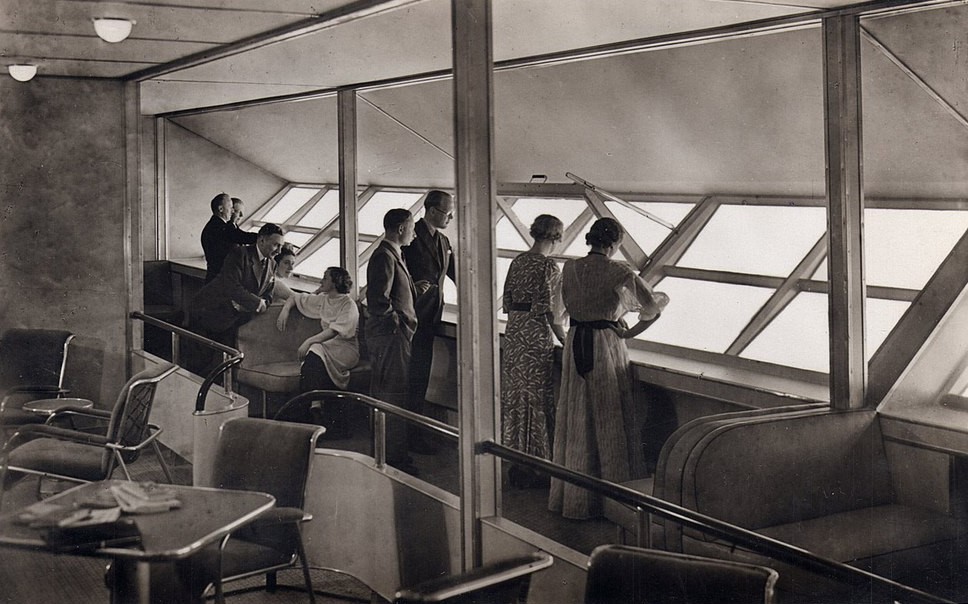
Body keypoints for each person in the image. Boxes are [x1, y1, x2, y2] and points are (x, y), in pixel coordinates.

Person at [548, 217, 669, 519]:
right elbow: (652, 307)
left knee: (577, 418)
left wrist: (567, 335)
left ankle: (575, 500)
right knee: (608, 416)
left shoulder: (571, 267)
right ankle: (614, 504)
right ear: (614, 243)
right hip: (605, 343)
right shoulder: (620, 271)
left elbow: (555, 313)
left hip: (575, 343)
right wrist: (627, 333)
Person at [501, 215, 567, 488]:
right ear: (556, 237)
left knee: (517, 398)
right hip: (536, 336)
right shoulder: (549, 266)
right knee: (537, 400)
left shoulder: (518, 261)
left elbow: (506, 301)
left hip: (515, 333)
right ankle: (538, 467)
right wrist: (564, 339)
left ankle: (517, 461)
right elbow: (552, 310)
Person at [402, 189, 455, 454]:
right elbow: (395, 275)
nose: (451, 217)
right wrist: (413, 288)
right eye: (448, 212)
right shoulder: (410, 237)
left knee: (419, 379)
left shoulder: (444, 242)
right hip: (410, 318)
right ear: (432, 211)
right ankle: (405, 437)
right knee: (408, 380)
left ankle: (412, 435)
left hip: (430, 319)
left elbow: (458, 274)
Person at [366, 208, 418, 474]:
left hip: (393, 335)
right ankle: (392, 456)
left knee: (392, 393)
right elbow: (377, 300)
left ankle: (388, 452)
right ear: (400, 229)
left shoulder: (392, 255)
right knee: (392, 394)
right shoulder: (384, 257)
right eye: (411, 227)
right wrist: (397, 323)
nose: (413, 232)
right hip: (390, 337)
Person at [276, 267, 360, 434]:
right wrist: (285, 310)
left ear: (335, 282)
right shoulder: (324, 299)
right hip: (326, 347)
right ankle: (314, 409)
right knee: (315, 355)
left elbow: (334, 331)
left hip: (346, 349)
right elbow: (296, 297)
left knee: (314, 350)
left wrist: (308, 341)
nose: (321, 281)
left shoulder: (348, 305)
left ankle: (307, 411)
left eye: (325, 278)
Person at [190, 222, 285, 351]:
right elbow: (230, 285)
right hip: (211, 311)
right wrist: (256, 302)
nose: (279, 251)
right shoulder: (239, 254)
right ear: (262, 240)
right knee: (203, 359)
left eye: (281, 246)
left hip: (235, 317)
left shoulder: (272, 264)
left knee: (225, 358)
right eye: (276, 245)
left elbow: (268, 294)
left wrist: (261, 303)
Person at [201, 193, 258, 283]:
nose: (232, 211)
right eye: (231, 207)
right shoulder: (219, 227)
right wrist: (265, 237)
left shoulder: (216, 225)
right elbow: (242, 237)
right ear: (220, 209)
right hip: (220, 280)